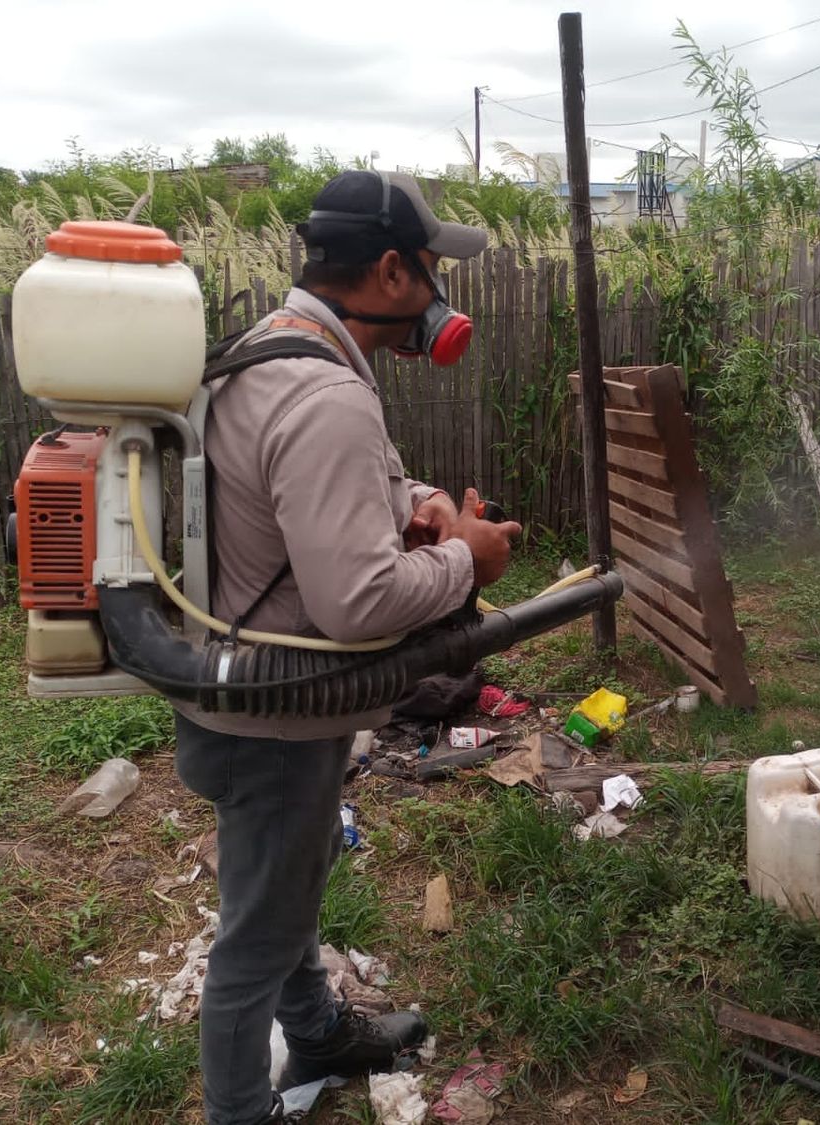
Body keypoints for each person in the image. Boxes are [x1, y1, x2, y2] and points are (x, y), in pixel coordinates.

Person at [172, 170, 520, 1125]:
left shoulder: (270, 351)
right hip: (276, 718)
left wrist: (416, 506)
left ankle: (318, 1030)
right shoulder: (326, 396)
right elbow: (359, 601)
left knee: (295, 873)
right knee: (254, 936)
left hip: (235, 687)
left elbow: (304, 506)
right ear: (394, 272)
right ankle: (241, 1113)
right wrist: (467, 559)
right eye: (432, 267)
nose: (442, 289)